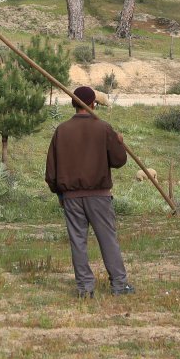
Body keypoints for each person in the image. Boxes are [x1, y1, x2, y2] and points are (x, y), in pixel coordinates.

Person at [45, 86, 134, 298]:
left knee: (78, 242)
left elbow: (51, 171)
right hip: (100, 196)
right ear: (93, 103)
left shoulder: (62, 130)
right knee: (108, 239)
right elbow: (119, 161)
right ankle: (119, 286)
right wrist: (119, 143)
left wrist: (59, 193)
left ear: (73, 104)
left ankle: (85, 289)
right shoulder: (103, 128)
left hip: (71, 198)